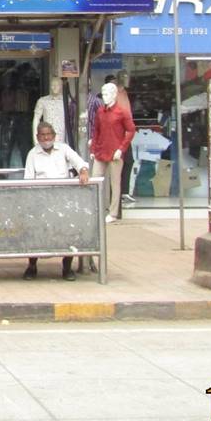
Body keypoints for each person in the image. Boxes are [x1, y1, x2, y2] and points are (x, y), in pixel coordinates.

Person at [21, 121, 90, 281]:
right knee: (36, 234)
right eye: (42, 135)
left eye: (48, 134)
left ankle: (67, 268)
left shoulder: (63, 148)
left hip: (63, 199)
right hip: (41, 200)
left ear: (54, 136)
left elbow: (79, 162)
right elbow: (28, 179)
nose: (46, 138)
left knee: (67, 233)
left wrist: (83, 171)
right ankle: (32, 266)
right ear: (38, 137)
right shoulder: (32, 154)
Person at [89, 81, 135, 223]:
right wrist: (93, 149)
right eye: (103, 94)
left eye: (107, 94)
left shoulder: (122, 112)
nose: (105, 97)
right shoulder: (100, 111)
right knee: (95, 180)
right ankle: (96, 208)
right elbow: (96, 131)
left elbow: (131, 130)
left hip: (115, 152)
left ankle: (113, 213)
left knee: (115, 183)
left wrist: (121, 149)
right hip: (101, 151)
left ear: (114, 95)